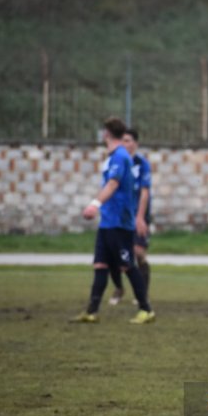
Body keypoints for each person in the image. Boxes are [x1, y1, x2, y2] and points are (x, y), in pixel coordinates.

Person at [71, 116, 155, 324]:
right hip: (108, 222)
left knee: (128, 266)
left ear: (106, 133)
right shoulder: (113, 157)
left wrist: (94, 204)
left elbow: (113, 184)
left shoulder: (119, 157)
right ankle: (91, 312)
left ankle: (146, 309)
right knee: (100, 265)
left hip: (120, 222)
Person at [108, 127, 152, 305]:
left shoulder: (142, 164)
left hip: (138, 214)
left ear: (136, 143)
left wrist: (140, 217)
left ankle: (142, 293)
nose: (127, 143)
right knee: (113, 255)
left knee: (138, 253)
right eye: (123, 140)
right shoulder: (116, 161)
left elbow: (144, 192)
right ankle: (119, 287)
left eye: (130, 140)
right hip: (118, 215)